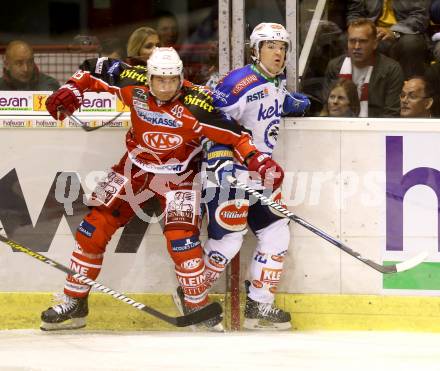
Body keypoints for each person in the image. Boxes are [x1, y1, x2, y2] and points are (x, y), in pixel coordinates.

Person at [39, 47, 283, 331]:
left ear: (181, 77)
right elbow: (94, 67)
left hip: (178, 178)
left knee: (183, 243)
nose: (167, 87)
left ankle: (197, 305)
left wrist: (260, 162)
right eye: (160, 80)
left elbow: (236, 137)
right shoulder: (133, 82)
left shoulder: (198, 103)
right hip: (133, 169)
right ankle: (74, 302)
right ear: (150, 78)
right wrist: (72, 89)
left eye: (172, 80)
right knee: (92, 229)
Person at [179, 23, 310, 331]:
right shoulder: (239, 83)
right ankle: (191, 296)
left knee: (277, 231)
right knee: (228, 243)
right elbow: (210, 122)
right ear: (256, 49)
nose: (278, 53)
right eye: (271, 46)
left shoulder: (275, 80)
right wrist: (220, 162)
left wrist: (289, 103)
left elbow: (266, 106)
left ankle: (259, 305)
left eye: (283, 47)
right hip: (230, 174)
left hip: (258, 176)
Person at [324, 18, 404, 117]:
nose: (356, 46)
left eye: (363, 41)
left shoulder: (391, 69)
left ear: (375, 44)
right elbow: (326, 107)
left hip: (376, 128)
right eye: (352, 41)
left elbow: (391, 114)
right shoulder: (334, 66)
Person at [346, 0, 430, 78]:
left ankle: (410, 89)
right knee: (349, 40)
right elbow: (355, 13)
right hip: (373, 30)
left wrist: (394, 31)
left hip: (405, 31)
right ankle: (356, 88)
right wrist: (365, 29)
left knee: (411, 44)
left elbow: (420, 16)